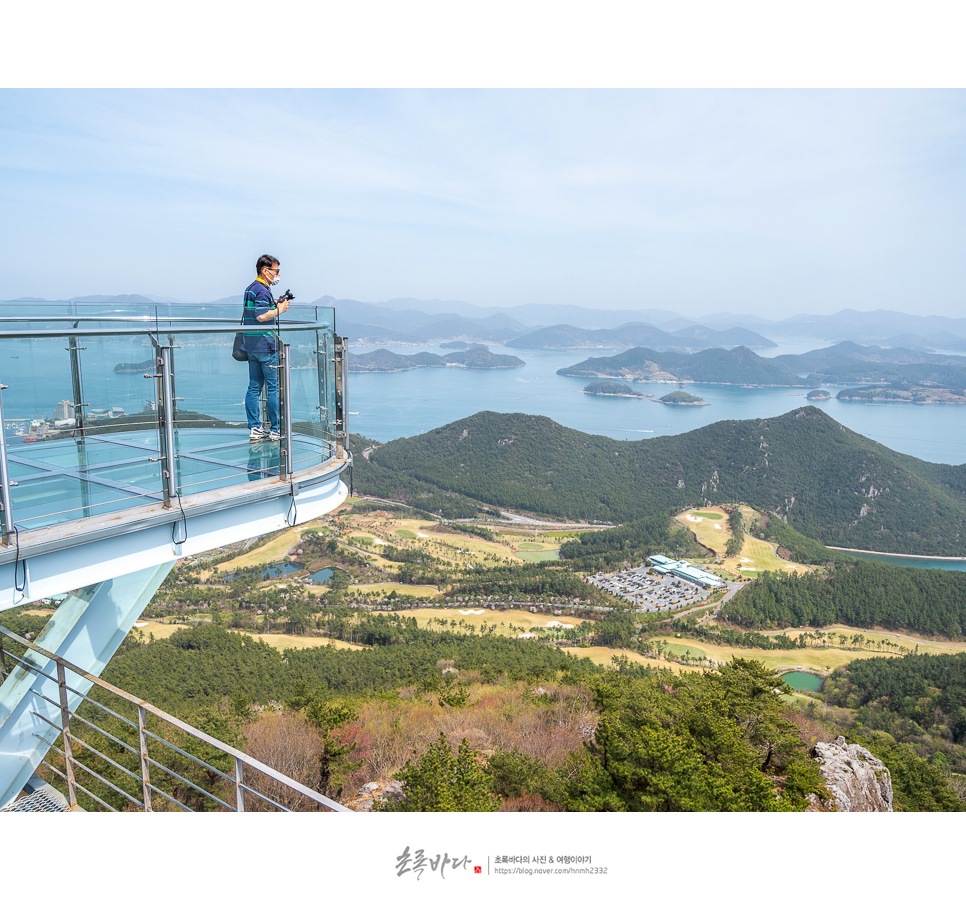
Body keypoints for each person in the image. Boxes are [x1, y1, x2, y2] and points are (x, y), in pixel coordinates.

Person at [243, 254, 291, 441]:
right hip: (265, 345)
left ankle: (255, 427)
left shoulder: (250, 289)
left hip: (251, 345)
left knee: (254, 386)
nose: (278, 275)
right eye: (276, 271)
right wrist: (280, 310)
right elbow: (261, 316)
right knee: (273, 388)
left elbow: (256, 311)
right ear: (265, 270)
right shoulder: (262, 290)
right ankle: (275, 429)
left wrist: (274, 304)